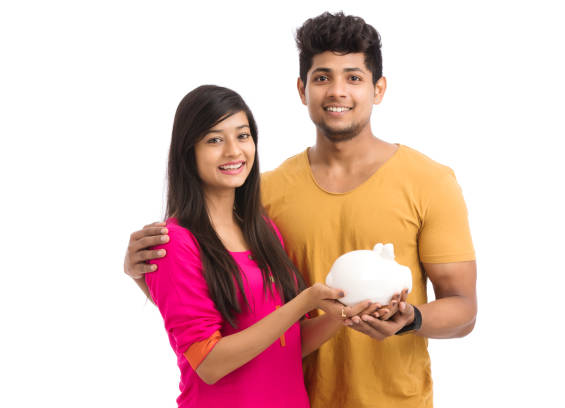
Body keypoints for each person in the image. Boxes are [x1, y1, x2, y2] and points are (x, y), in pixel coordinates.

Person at [125, 13, 477, 408]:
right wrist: (145, 274)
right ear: (302, 89)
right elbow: (206, 312)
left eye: (354, 77)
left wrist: (411, 319)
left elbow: (464, 309)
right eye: (323, 77)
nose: (337, 91)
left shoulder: (430, 182)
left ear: (378, 89)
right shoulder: (265, 196)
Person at [140, 84, 376, 407]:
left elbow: (286, 345)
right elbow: (209, 364)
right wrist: (304, 302)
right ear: (187, 151)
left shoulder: (264, 229)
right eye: (214, 140)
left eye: (242, 135)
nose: (233, 151)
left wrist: (343, 314)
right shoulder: (175, 243)